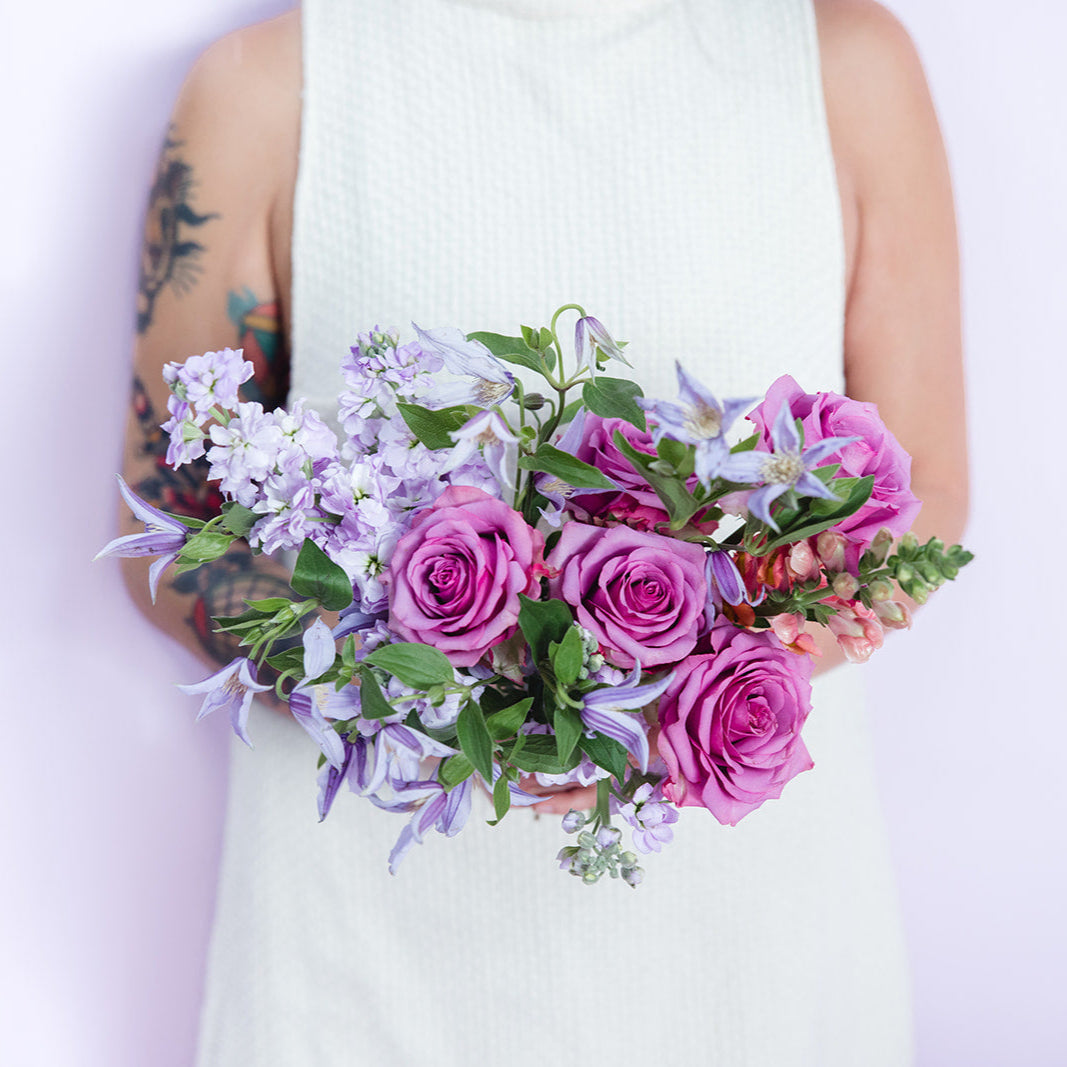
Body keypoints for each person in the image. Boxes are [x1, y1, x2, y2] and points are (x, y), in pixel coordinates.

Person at [120, 0, 968, 1063]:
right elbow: (173, 521)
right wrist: (439, 690)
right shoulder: (266, 84)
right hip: (357, 965)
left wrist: (694, 698)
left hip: (746, 954)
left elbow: (922, 486)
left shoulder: (842, 64)